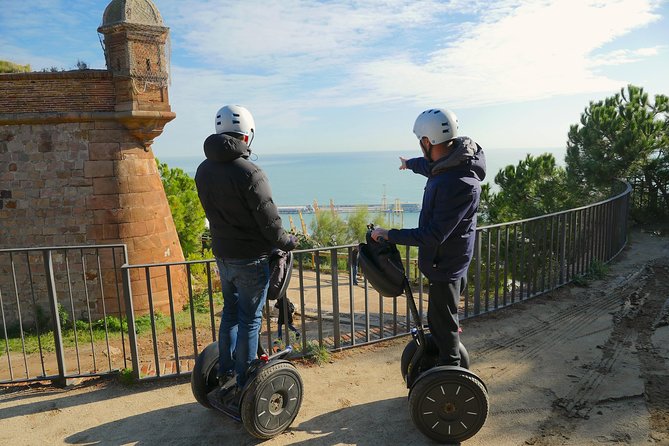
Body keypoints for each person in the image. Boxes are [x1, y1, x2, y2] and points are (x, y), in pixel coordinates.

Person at [195, 105, 297, 406]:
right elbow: (270, 221)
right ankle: (245, 378)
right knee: (251, 320)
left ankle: (226, 372)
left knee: (230, 314)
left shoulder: (203, 169)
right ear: (246, 136)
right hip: (251, 258)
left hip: (223, 256)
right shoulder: (250, 172)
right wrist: (288, 241)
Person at [371, 108, 486, 367]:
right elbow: (431, 166)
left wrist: (390, 235)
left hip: (447, 265)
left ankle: (450, 371)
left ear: (427, 141)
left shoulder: (459, 184)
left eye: (420, 141)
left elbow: (434, 235)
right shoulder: (451, 163)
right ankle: (444, 356)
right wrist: (410, 164)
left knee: (443, 325)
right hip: (447, 262)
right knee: (441, 320)